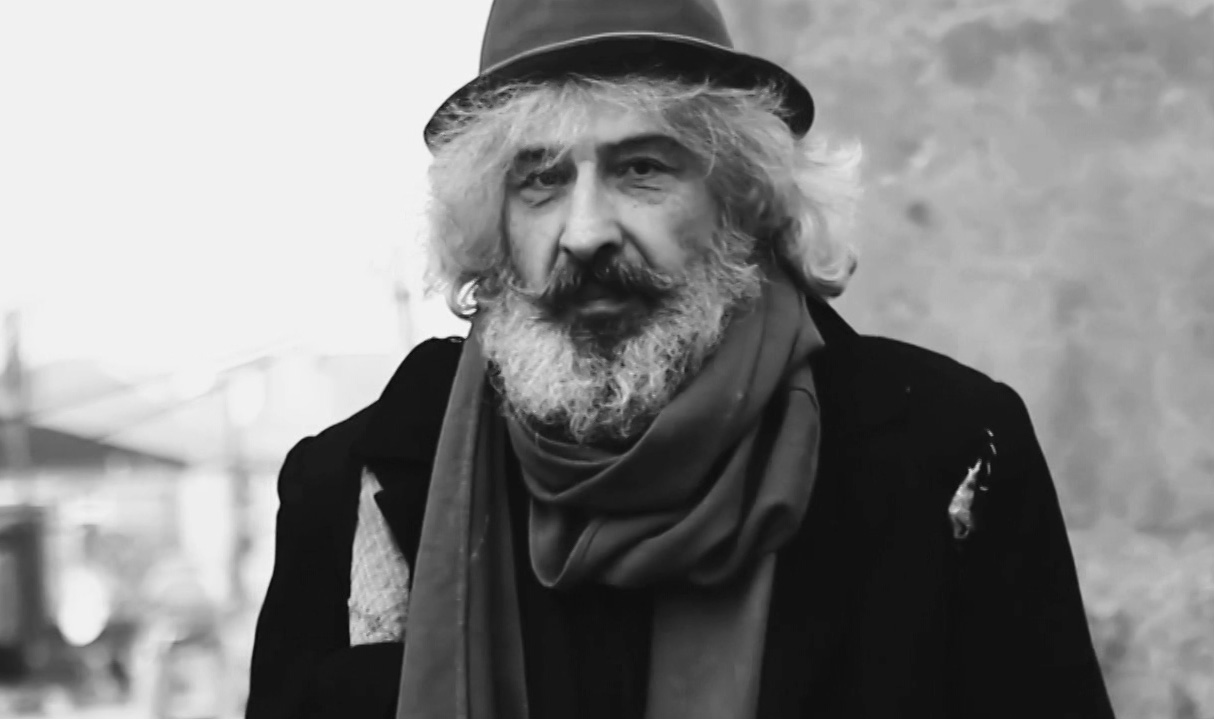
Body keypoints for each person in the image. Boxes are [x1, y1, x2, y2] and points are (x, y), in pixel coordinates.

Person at [246, 1, 1116, 717]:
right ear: (491, 223)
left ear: (742, 199)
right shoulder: (363, 485)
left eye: (642, 168)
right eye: (540, 178)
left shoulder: (943, 455)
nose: (586, 232)